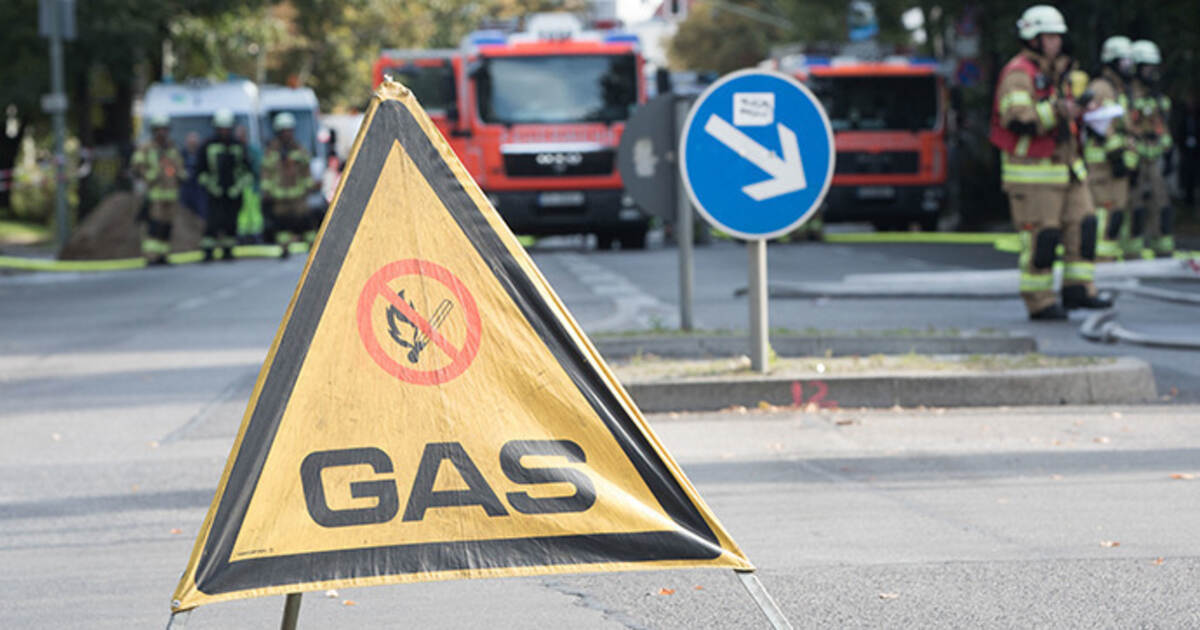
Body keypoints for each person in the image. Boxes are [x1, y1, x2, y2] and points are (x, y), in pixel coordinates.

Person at [988, 5, 1111, 321]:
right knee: (1043, 239)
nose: (1055, 42)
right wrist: (1059, 110)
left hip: (1069, 167)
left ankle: (1078, 289)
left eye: (1058, 36)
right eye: (1048, 36)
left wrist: (1084, 111)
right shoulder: (1019, 73)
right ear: (1032, 38)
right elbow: (1017, 119)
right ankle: (1040, 300)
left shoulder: (1062, 72)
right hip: (1033, 173)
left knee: (1084, 227)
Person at [1082, 36, 1138, 261]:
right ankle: (1098, 260)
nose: (1128, 67)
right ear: (1112, 62)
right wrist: (1117, 155)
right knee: (1104, 215)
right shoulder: (1100, 88)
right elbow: (1097, 124)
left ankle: (1108, 259)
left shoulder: (1120, 89)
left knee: (1116, 215)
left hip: (1116, 165)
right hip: (1102, 166)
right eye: (1124, 62)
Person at [1128, 39, 1175, 258]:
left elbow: (1164, 130)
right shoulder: (1127, 96)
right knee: (1134, 207)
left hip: (1155, 161)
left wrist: (1167, 150)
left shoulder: (1159, 99)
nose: (1151, 72)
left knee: (1161, 203)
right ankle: (1132, 251)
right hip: (1134, 161)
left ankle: (1163, 248)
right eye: (1147, 67)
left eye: (1153, 68)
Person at [196, 109, 253, 261]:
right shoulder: (208, 145)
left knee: (231, 222)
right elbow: (200, 172)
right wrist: (211, 186)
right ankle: (208, 251)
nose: (224, 131)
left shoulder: (238, 146)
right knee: (213, 222)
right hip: (214, 193)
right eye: (221, 128)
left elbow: (248, 172)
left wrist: (237, 187)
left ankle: (228, 251)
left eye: (227, 128)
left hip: (233, 193)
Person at [130, 114, 184, 266]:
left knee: (167, 225)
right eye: (159, 130)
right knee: (154, 225)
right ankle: (151, 256)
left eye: (165, 130)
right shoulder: (146, 148)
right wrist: (151, 176)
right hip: (154, 193)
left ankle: (163, 255)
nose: (163, 133)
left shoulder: (171, 148)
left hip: (171, 193)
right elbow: (137, 167)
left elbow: (178, 167)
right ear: (154, 131)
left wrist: (181, 175)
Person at [262, 112, 317, 259]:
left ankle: (313, 249)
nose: (287, 134)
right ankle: (284, 249)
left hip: (298, 197)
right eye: (284, 131)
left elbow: (306, 171)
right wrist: (267, 191)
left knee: (306, 224)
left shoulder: (300, 150)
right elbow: (266, 173)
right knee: (282, 226)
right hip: (279, 197)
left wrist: (309, 187)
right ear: (278, 132)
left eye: (289, 130)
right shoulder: (271, 151)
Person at [1176, 91, 1200, 209]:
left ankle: (1193, 198)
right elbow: (1180, 133)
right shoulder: (1184, 117)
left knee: (1195, 173)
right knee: (1187, 173)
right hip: (1186, 150)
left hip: (1196, 151)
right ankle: (1187, 198)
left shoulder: (1197, 117)